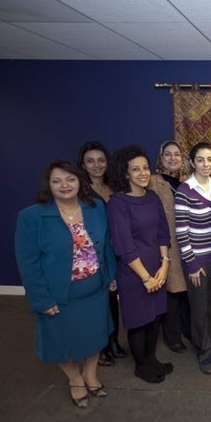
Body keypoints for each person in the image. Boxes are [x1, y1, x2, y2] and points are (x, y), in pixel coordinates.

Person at [15, 161, 116, 407]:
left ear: (80, 180)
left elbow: (107, 246)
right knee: (62, 342)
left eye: (70, 179)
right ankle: (75, 380)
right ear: (48, 185)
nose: (64, 185)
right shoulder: (32, 216)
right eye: (57, 181)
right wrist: (41, 299)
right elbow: (28, 263)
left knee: (95, 336)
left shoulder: (96, 208)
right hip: (59, 295)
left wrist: (111, 276)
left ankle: (91, 375)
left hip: (95, 290)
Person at [107, 145, 172, 384]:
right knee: (139, 320)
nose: (143, 173)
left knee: (155, 318)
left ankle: (152, 359)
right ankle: (141, 366)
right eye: (135, 169)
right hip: (135, 273)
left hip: (157, 268)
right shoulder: (118, 203)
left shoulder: (153, 198)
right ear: (125, 174)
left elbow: (163, 234)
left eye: (145, 167)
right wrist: (146, 277)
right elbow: (124, 245)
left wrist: (164, 265)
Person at [175, 142, 211, 375]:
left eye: (210, 159)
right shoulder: (185, 191)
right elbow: (181, 231)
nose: (206, 164)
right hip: (197, 261)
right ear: (192, 162)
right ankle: (203, 349)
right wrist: (192, 264)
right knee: (200, 306)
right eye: (201, 160)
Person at [77, 141, 127, 366]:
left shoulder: (114, 186)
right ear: (83, 165)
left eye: (101, 160)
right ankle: (101, 346)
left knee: (113, 299)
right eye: (91, 161)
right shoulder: (80, 190)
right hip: (94, 254)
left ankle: (113, 341)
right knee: (99, 301)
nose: (97, 165)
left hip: (117, 250)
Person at [148, 141, 190, 354]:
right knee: (172, 293)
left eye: (177, 155)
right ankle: (172, 336)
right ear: (161, 158)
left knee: (185, 292)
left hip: (185, 244)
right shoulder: (153, 182)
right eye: (168, 155)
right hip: (164, 245)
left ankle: (186, 330)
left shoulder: (183, 183)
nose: (173, 158)